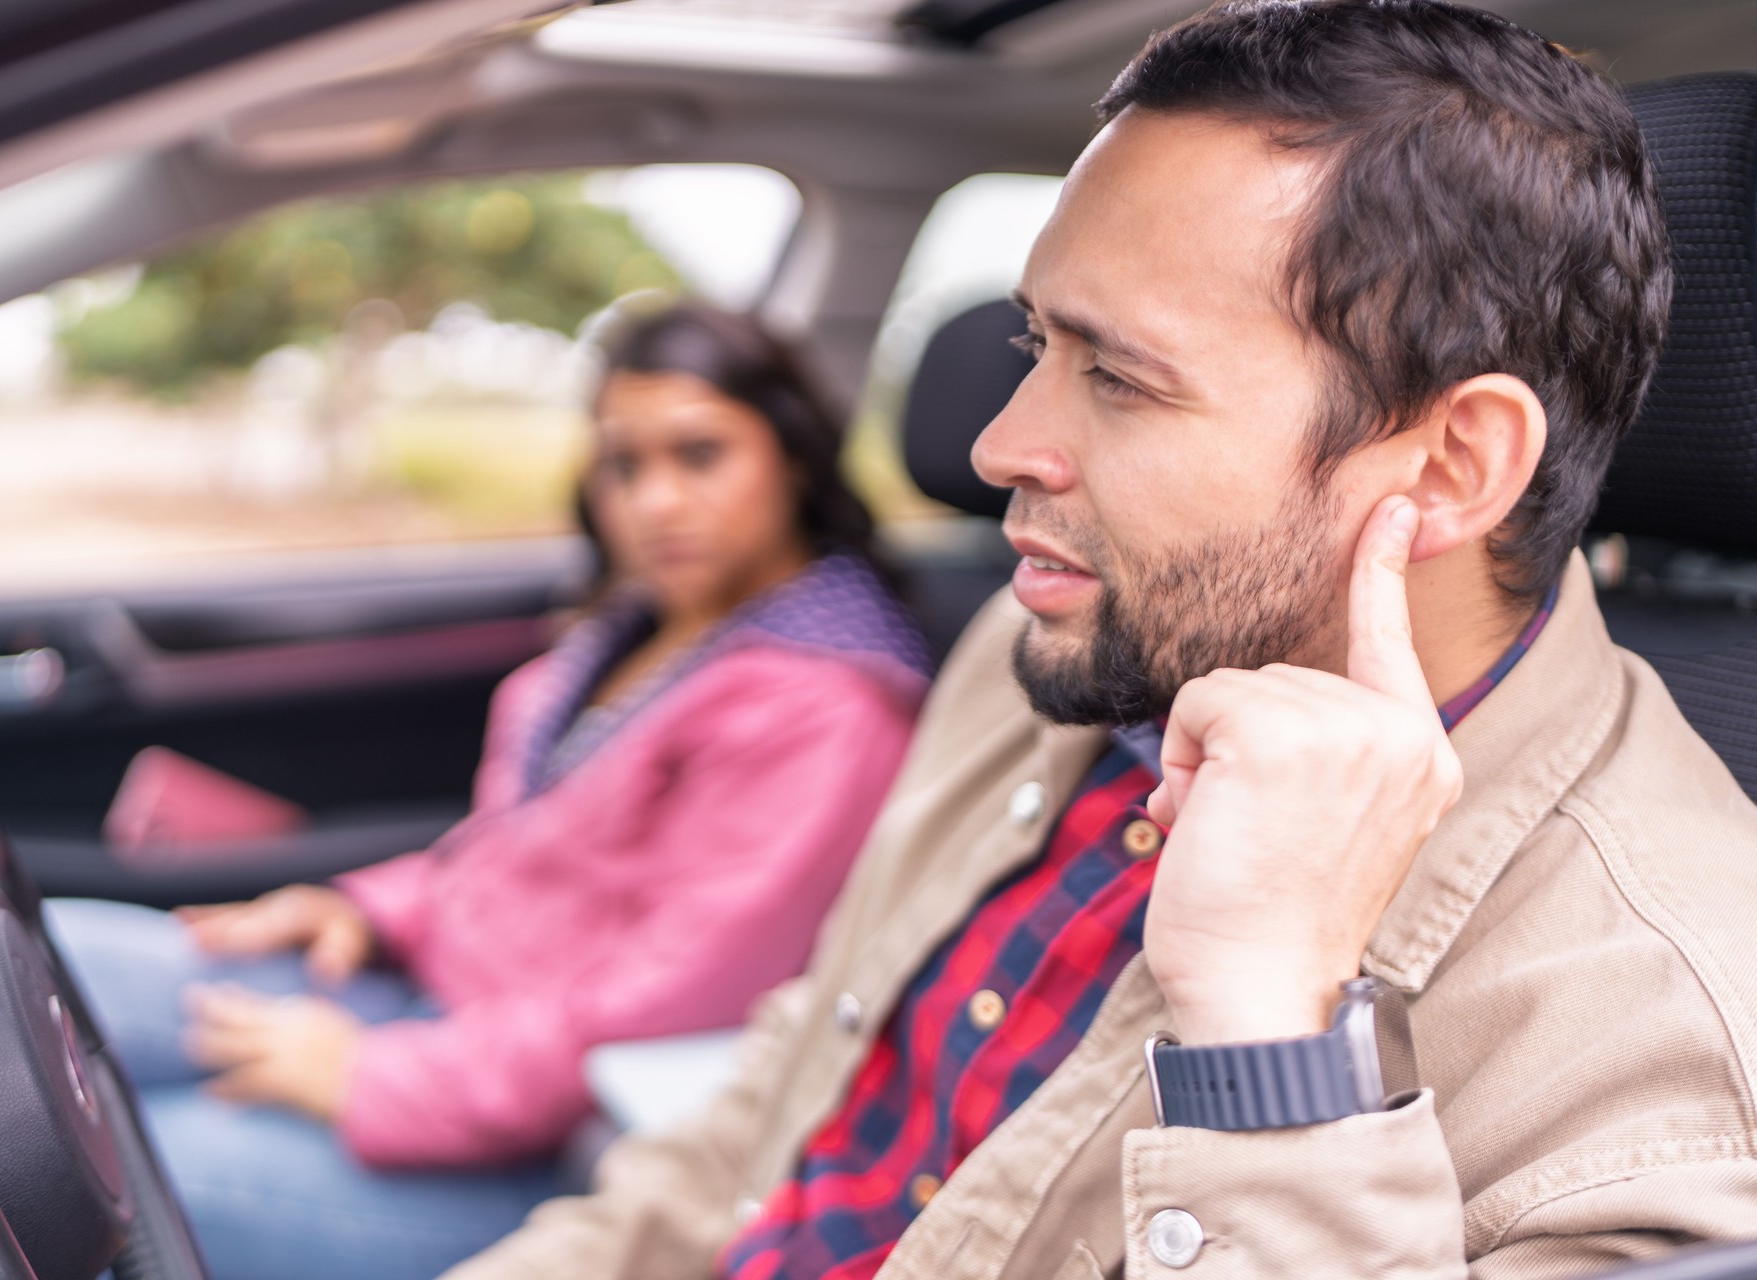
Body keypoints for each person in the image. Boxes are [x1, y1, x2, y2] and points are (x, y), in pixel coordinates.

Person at [445, 5, 1757, 1279]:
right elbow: (784, 1104)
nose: (998, 445)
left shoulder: (1669, 1056)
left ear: (1453, 462)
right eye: (1036, 342)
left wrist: (1270, 1037)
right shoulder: (1065, 649)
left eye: (1118, 375)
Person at [47, 302, 933, 1280]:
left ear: (796, 460)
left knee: (96, 1164)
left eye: (700, 454)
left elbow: (663, 1005)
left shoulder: (831, 709)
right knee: (47, 959)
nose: (656, 502)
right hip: (439, 1004)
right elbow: (520, 850)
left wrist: (372, 1076)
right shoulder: (644, 629)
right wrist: (361, 909)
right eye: (624, 465)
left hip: (558, 1143)